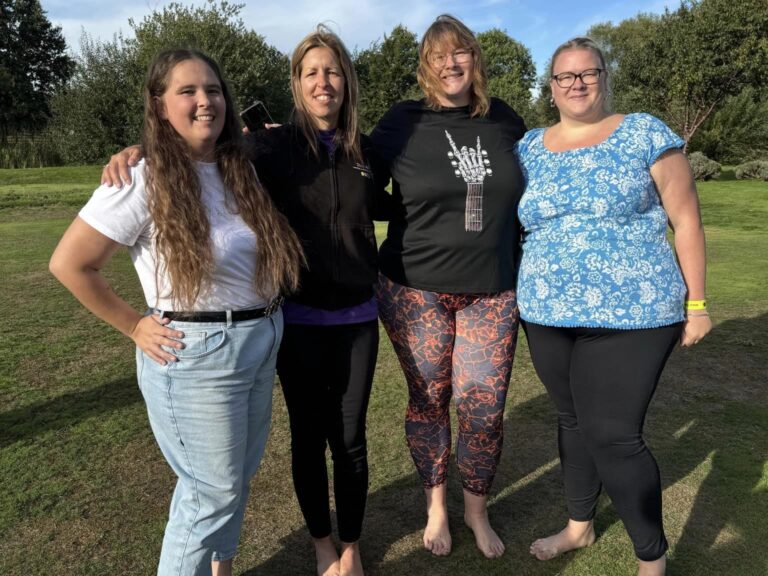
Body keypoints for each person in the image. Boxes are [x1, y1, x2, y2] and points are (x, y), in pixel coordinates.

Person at [101, 27, 390, 576]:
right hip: (296, 319)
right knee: (307, 437)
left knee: (350, 439)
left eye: (332, 72)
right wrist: (138, 151)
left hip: (357, 318)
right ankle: (321, 543)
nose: (323, 82)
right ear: (297, 83)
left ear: (346, 81)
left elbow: (401, 205)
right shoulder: (272, 147)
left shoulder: (366, 150)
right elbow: (197, 147)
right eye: (311, 73)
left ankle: (350, 546)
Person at [50, 49, 304, 576]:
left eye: (212, 89)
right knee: (209, 493)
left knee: (234, 478)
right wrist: (133, 324)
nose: (204, 101)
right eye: (187, 91)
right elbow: (70, 264)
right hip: (197, 356)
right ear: (160, 104)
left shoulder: (238, 168)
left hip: (258, 340)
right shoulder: (142, 178)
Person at [515, 37, 712, 576]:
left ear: (604, 76)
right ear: (551, 87)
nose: (576, 83)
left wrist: (697, 303)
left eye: (587, 72)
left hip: (636, 313)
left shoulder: (645, 133)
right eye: (564, 76)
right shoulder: (530, 145)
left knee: (613, 435)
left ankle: (652, 559)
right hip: (546, 313)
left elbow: (687, 220)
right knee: (572, 420)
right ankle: (579, 527)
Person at [370, 14, 526, 559]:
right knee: (430, 398)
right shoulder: (402, 122)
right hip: (416, 290)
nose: (450, 63)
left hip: (493, 290)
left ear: (475, 60)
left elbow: (538, 184)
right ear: (425, 67)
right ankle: (436, 504)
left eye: (459, 53)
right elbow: (350, 177)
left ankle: (475, 511)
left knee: (483, 407)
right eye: (438, 56)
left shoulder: (504, 120)